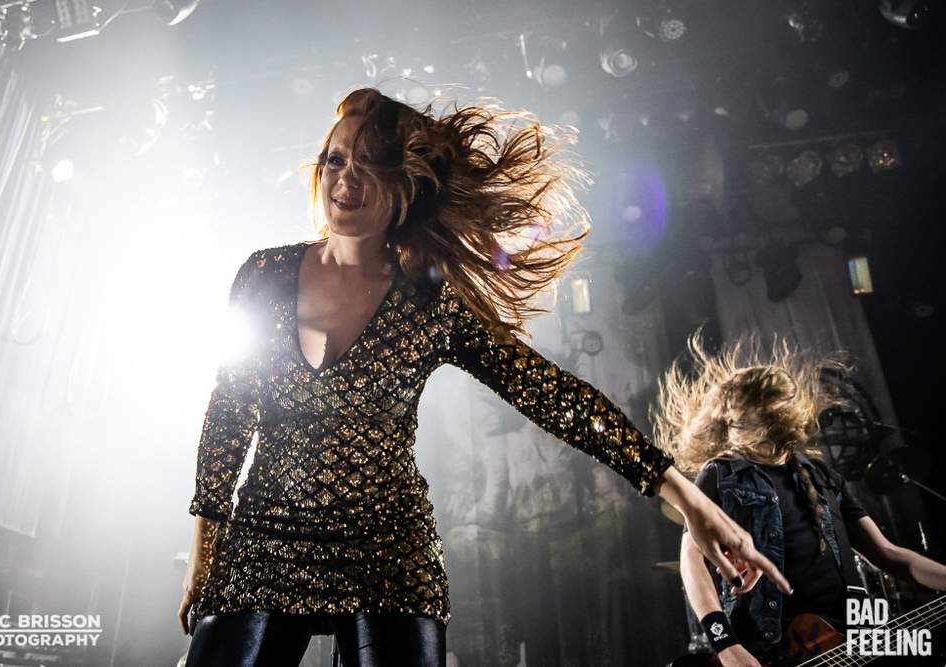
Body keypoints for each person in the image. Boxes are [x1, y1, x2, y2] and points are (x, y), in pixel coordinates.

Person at [177, 88, 790, 667]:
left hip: (387, 554)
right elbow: (230, 413)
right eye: (336, 159)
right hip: (264, 540)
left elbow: (552, 394)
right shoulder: (264, 274)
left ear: (406, 185)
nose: (347, 179)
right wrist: (204, 551)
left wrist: (688, 498)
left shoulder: (431, 300)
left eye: (372, 165)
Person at [655, 334, 946, 667]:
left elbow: (890, 555)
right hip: (771, 650)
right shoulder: (720, 475)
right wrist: (726, 645)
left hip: (848, 643)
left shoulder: (820, 475)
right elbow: (692, 562)